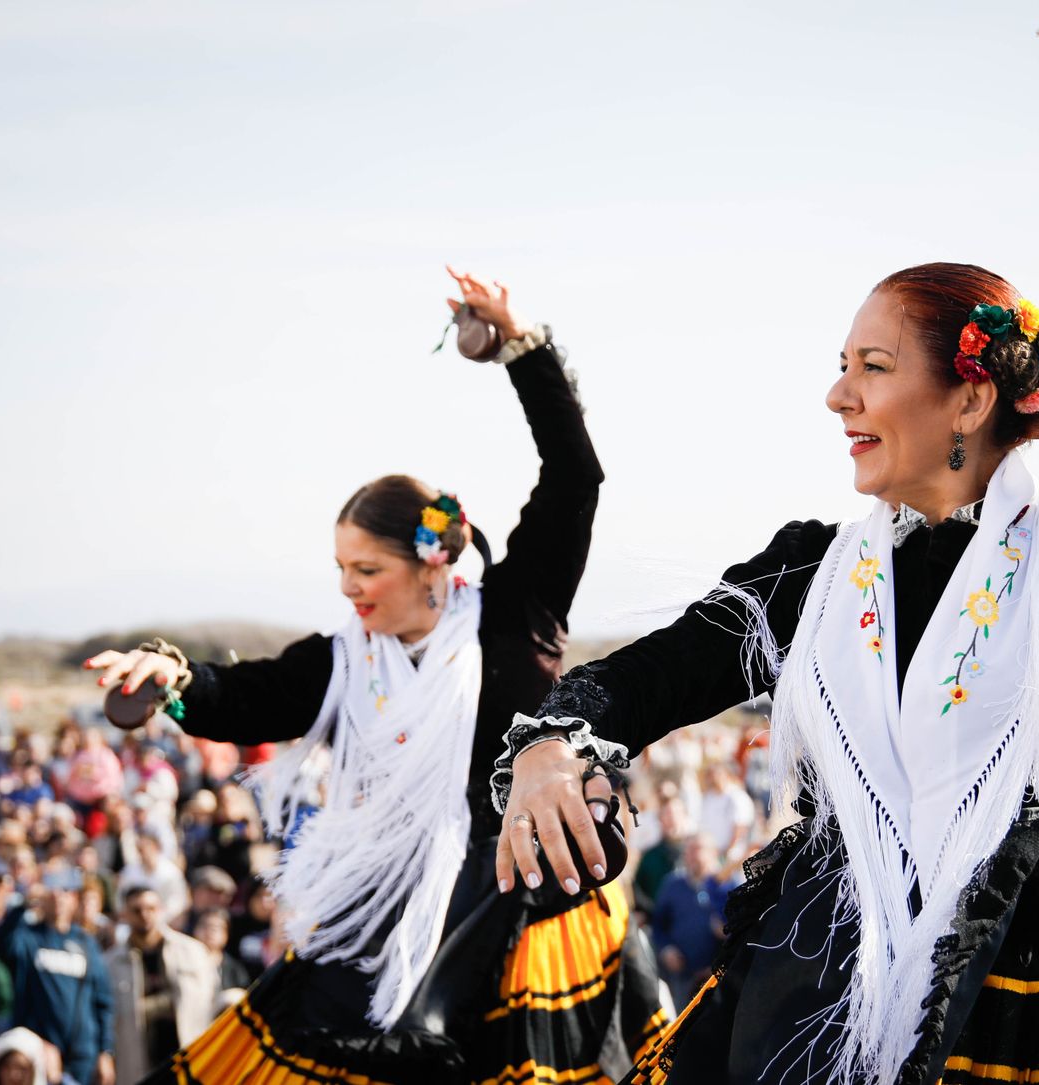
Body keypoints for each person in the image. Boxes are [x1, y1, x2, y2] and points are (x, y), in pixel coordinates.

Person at [495, 4, 1039, 1079]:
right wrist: (553, 742)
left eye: (872, 366)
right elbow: (643, 680)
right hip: (817, 980)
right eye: (843, 363)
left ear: (968, 397)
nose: (836, 393)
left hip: (1025, 1009)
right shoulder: (814, 574)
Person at [81, 272, 666, 1084]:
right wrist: (170, 675)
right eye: (340, 569)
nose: (350, 588)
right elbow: (243, 696)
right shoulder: (342, 656)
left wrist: (521, 347)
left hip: (527, 895)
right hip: (392, 905)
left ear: (430, 563)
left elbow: (575, 474)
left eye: (366, 568)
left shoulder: (515, 610)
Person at [0, 873, 113, 1085]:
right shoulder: (28, 937)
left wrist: (105, 1051)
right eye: (52, 893)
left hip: (82, 1053)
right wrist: (23, 905)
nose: (58, 898)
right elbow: (0, 942)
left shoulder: (86, 942)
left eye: (65, 893)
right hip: (38, 1051)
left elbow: (102, 1001)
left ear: (75, 899)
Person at [104, 887, 217, 1084]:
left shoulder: (193, 951)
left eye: (151, 908)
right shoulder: (110, 963)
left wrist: (150, 1006)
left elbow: (212, 1001)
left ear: (161, 909)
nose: (145, 915)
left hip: (188, 1059)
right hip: (137, 1064)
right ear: (125, 914)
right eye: (137, 910)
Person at [649, 837, 733, 1007]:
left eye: (697, 849)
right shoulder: (673, 884)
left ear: (713, 853)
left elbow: (743, 933)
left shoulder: (729, 886)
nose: (691, 855)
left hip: (718, 976)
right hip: (682, 975)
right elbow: (658, 925)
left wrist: (725, 935)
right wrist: (666, 949)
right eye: (688, 851)